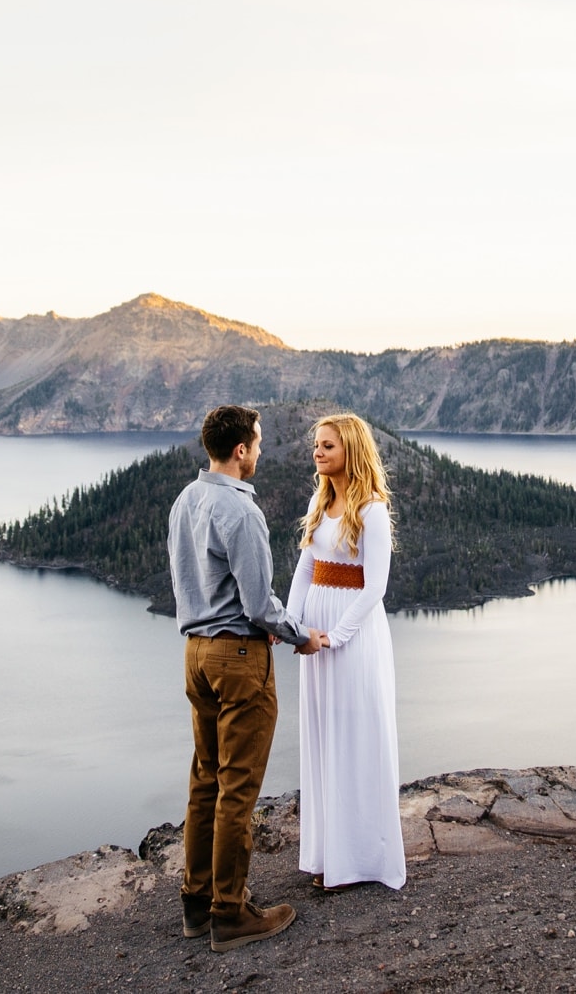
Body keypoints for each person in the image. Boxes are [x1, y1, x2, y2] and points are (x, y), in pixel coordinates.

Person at [168, 404, 330, 951]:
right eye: (256, 444)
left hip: (196, 654)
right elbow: (259, 603)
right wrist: (301, 635)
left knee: (205, 781)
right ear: (240, 449)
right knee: (237, 788)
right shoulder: (240, 511)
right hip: (238, 658)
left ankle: (196, 903)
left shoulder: (186, 500)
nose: (259, 452)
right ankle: (231, 913)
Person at [285, 413, 406, 892]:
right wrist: (293, 625)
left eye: (328, 446)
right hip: (315, 632)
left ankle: (357, 861)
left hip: (351, 636)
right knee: (324, 737)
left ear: (350, 451)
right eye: (317, 445)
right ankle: (326, 855)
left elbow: (375, 586)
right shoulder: (320, 499)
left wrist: (336, 636)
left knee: (354, 738)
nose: (318, 452)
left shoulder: (373, 509)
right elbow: (305, 568)